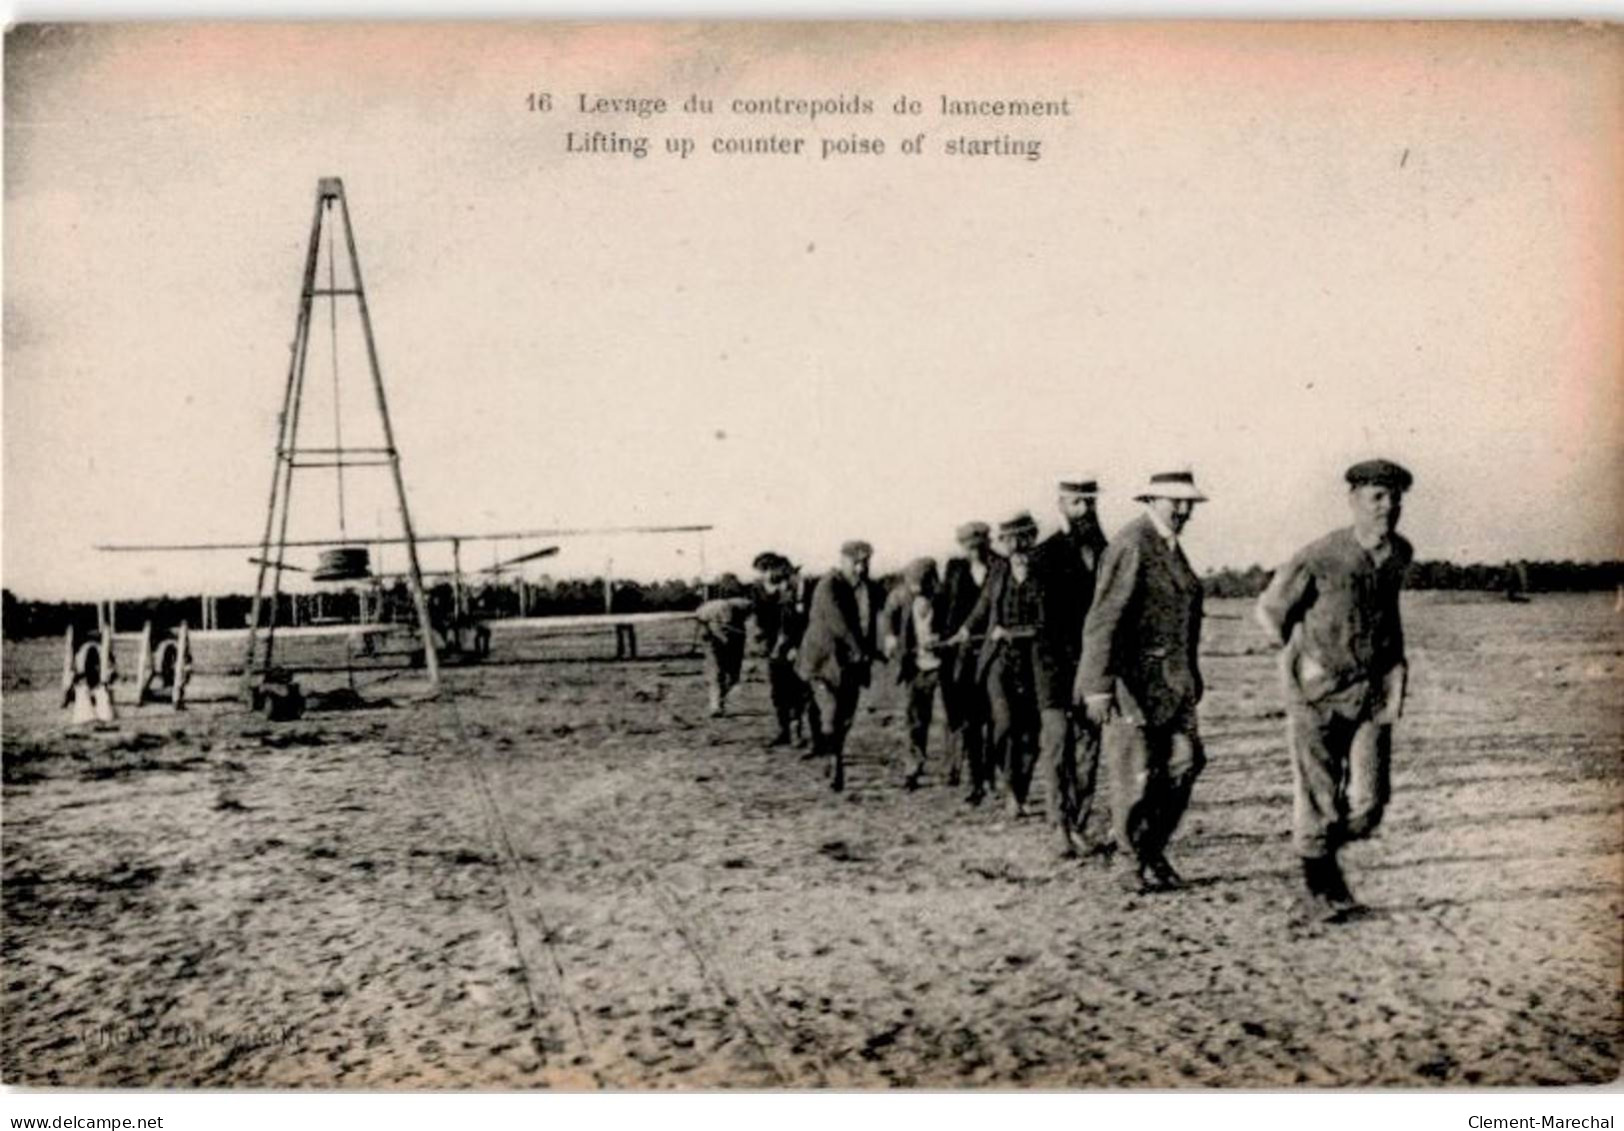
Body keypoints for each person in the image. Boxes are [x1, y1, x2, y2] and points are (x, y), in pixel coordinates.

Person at [1254, 459, 1415, 921]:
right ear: (1353, 501)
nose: (1388, 506)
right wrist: (1302, 662)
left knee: (1369, 803)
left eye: (1394, 497)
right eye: (1377, 497)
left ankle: (1321, 860)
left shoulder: (1399, 553)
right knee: (1319, 793)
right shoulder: (1320, 555)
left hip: (1372, 693)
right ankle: (1319, 888)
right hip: (1317, 696)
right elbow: (1270, 610)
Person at [1074, 469, 1208, 893]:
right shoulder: (1132, 544)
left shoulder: (1170, 547)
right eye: (1175, 502)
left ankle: (1151, 849)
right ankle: (1131, 861)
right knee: (1135, 776)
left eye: (1189, 503)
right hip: (1134, 686)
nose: (1184, 510)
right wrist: (1097, 686)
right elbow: (1103, 619)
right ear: (1151, 501)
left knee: (1186, 763)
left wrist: (1192, 673)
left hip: (1175, 685)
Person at [1031, 478, 1111, 858]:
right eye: (1078, 503)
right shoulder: (1043, 555)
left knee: (1089, 749)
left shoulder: (1104, 550)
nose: (1085, 510)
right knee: (1059, 744)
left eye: (1090, 503)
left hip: (1092, 665)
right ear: (1061, 504)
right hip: (1054, 667)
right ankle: (1059, 825)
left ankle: (1078, 823)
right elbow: (1047, 621)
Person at [957, 513, 1044, 817]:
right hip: (998, 661)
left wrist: (1014, 632)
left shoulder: (1045, 570)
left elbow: (1049, 623)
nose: (1008, 545)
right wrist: (966, 629)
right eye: (1005, 539)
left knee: (1030, 733)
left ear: (1029, 537)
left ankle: (1019, 791)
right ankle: (1010, 787)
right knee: (1004, 725)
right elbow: (983, 605)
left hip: (1035, 663)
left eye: (1014, 538)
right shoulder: (999, 571)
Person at [796, 540, 884, 792]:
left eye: (865, 563)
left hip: (851, 665)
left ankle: (834, 753)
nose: (860, 568)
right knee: (831, 712)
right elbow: (839, 623)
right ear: (843, 561)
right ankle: (833, 759)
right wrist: (859, 649)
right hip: (823, 663)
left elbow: (873, 622)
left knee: (846, 716)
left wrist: (879, 648)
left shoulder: (870, 589)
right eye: (855, 563)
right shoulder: (829, 586)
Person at [938, 522, 995, 802]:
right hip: (961, 657)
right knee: (970, 722)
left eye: (979, 546)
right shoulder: (954, 570)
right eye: (969, 547)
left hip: (994, 653)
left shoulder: (1000, 567)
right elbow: (944, 608)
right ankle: (977, 782)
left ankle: (994, 776)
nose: (974, 552)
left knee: (997, 719)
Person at [882, 557, 944, 790]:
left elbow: (955, 621)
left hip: (941, 664)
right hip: (916, 665)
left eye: (922, 583)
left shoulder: (943, 596)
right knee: (915, 717)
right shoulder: (899, 596)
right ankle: (913, 767)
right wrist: (890, 637)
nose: (916, 588)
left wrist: (941, 638)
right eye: (913, 583)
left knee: (951, 719)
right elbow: (888, 616)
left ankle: (953, 768)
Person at [753, 552, 811, 748]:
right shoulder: (762, 592)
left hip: (794, 646)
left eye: (769, 570)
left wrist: (796, 645)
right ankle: (783, 730)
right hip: (774, 648)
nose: (766, 575)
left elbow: (800, 620)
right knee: (778, 690)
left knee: (796, 688)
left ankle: (796, 731)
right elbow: (762, 618)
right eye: (763, 572)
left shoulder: (797, 588)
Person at [694, 595, 754, 717]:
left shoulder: (709, 608)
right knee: (724, 673)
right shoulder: (728, 608)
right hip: (716, 634)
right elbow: (725, 630)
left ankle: (716, 703)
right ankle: (716, 704)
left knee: (718, 673)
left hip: (711, 631)